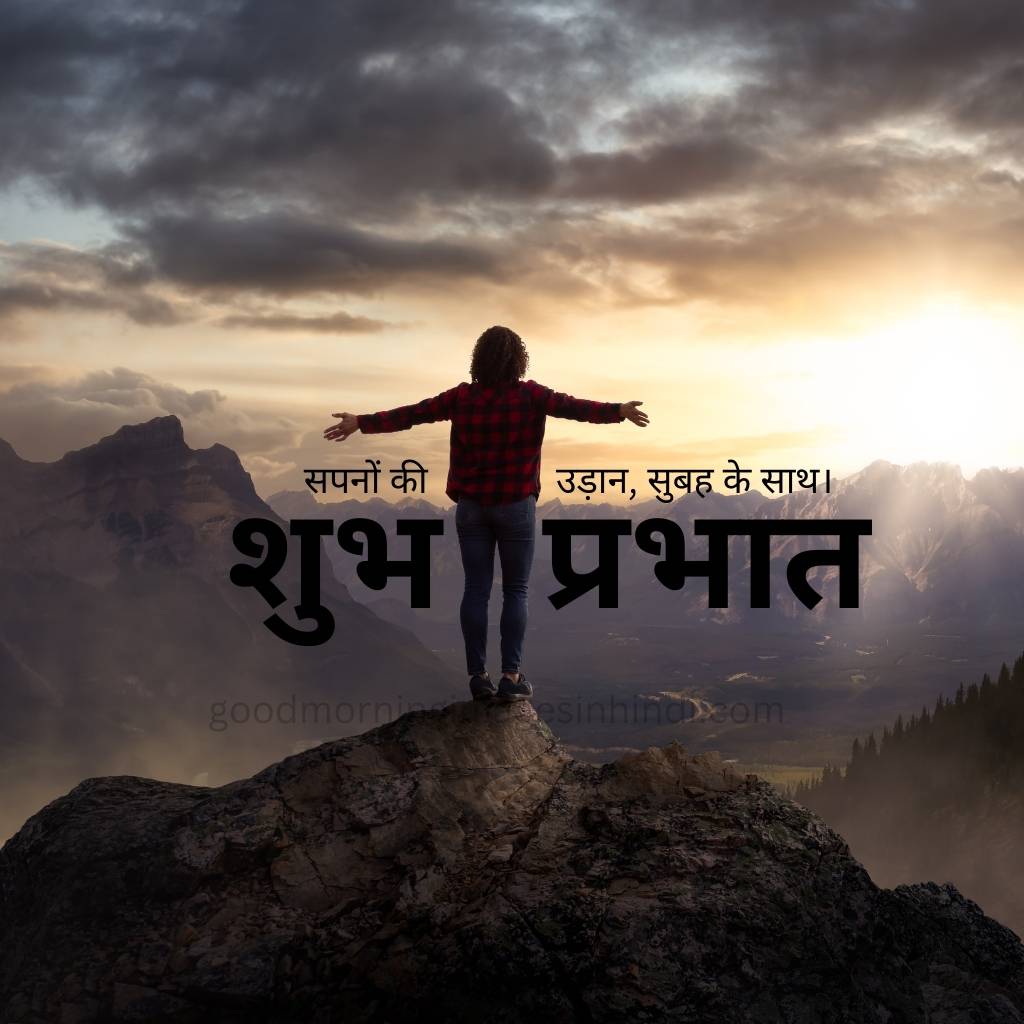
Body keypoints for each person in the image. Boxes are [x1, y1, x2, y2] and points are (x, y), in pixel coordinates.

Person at [323, 325, 649, 703]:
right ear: (518, 360)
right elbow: (576, 408)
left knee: (476, 589)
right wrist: (618, 412)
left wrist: (361, 421)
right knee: (516, 590)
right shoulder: (531, 396)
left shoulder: (461, 398)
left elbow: (412, 414)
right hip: (515, 507)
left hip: (472, 508)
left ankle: (478, 676)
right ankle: (511, 676)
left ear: (478, 359)